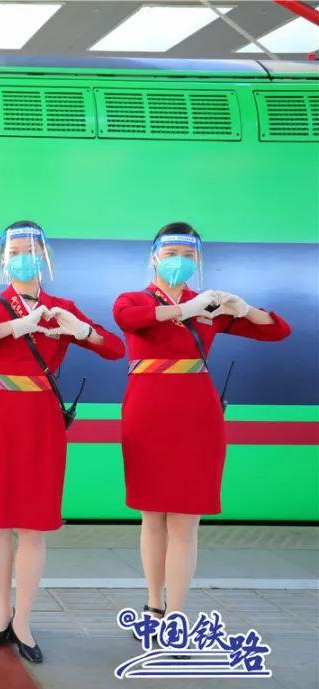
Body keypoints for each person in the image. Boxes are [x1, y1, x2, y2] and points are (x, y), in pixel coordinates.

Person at [0, 220, 125, 663]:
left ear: (44, 258)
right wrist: (16, 326)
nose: (23, 258)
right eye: (15, 251)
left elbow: (114, 349)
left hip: (41, 419)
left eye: (31, 251)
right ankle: (1, 613)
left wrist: (79, 329)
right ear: (3, 258)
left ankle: (24, 621)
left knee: (33, 523)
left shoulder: (61, 308)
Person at [113, 222, 291, 628]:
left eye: (188, 256)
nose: (179, 262)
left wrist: (243, 309)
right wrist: (186, 310)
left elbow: (279, 331)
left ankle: (175, 615)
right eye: (171, 254)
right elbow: (129, 320)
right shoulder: (134, 299)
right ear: (155, 257)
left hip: (197, 414)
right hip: (146, 412)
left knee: (185, 519)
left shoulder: (210, 307)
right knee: (152, 515)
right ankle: (153, 604)